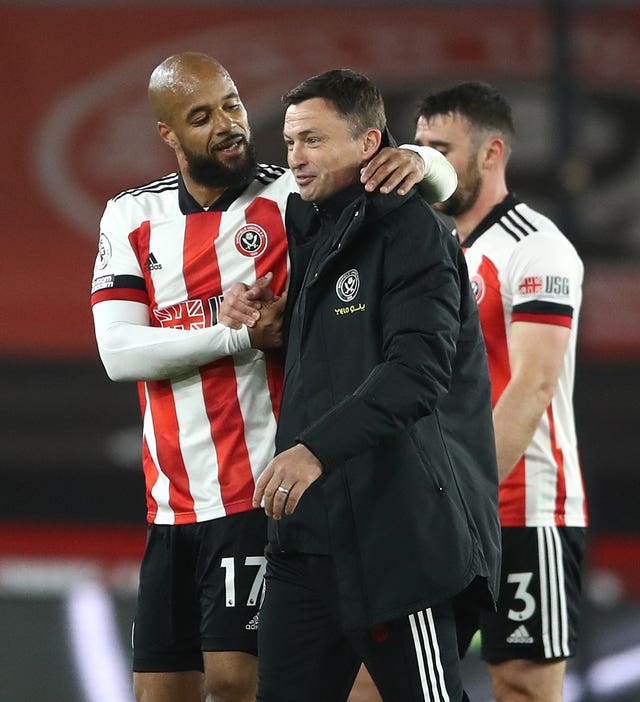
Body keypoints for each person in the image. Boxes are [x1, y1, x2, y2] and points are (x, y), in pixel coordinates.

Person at [89, 52, 457, 702]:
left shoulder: (290, 194)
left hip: (262, 487)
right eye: (202, 117)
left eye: (232, 103)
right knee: (159, 692)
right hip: (172, 501)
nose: (229, 124)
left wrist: (425, 162)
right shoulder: (129, 217)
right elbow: (119, 352)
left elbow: (432, 192)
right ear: (168, 134)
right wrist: (234, 334)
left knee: (239, 681)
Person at [225, 68, 501, 702]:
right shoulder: (306, 219)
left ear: (370, 145)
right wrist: (258, 311)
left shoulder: (414, 234)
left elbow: (417, 374)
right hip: (306, 536)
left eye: (314, 141)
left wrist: (313, 449)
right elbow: (330, 348)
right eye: (291, 141)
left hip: (395, 538)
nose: (295, 158)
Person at [414, 82, 587, 702]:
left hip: (521, 506)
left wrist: (464, 499)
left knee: (521, 686)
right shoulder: (429, 248)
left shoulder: (536, 247)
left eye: (441, 147)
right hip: (437, 510)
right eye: (419, 145)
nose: (424, 161)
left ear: (491, 152)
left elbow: (534, 383)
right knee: (383, 682)